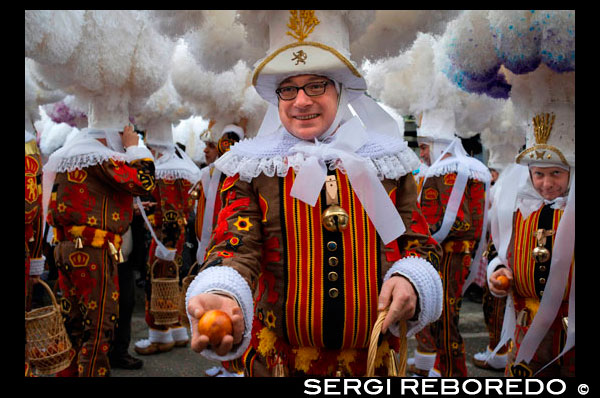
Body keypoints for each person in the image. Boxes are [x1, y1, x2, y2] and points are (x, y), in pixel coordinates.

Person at [185, 10, 443, 377]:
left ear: (339, 89)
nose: (301, 101)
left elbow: (418, 243)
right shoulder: (252, 169)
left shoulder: (389, 164)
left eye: (316, 85)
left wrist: (412, 280)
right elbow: (236, 246)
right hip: (281, 363)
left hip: (372, 366)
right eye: (288, 89)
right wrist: (222, 292)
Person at [44, 124, 156, 377]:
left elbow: (88, 200)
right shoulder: (99, 156)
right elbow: (144, 181)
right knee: (99, 322)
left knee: (74, 321)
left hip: (68, 247)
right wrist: (134, 147)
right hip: (92, 250)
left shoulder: (72, 153)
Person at [487, 104, 574, 377]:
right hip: (525, 322)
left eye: (556, 173)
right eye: (539, 174)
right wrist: (498, 270)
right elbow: (497, 249)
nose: (546, 184)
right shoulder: (516, 208)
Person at [407, 108, 491, 377]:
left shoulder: (447, 171)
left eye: (424, 146)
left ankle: (452, 371)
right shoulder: (461, 169)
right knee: (435, 312)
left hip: (446, 256)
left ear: (437, 145)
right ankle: (434, 364)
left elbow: (457, 223)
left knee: (443, 316)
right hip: (447, 254)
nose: (422, 153)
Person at [134, 120, 200, 356]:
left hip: (165, 240)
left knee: (159, 284)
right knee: (174, 284)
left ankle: (159, 336)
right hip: (173, 239)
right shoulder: (177, 166)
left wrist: (166, 245)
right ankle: (177, 329)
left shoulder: (167, 172)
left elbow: (170, 213)